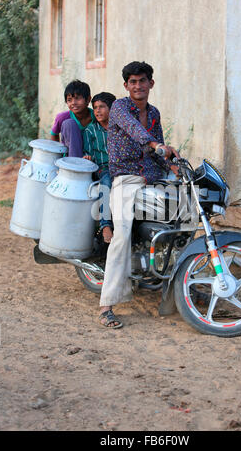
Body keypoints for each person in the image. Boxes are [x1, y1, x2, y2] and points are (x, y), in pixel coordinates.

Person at [99, 61, 179, 329]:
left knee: (181, 220)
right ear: (126, 86)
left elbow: (158, 148)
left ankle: (177, 288)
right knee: (121, 236)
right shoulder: (120, 108)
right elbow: (139, 133)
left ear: (150, 84)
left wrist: (173, 164)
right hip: (127, 178)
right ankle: (106, 305)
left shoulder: (154, 112)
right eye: (132, 82)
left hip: (153, 178)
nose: (138, 86)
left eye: (142, 81)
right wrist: (157, 145)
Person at [83, 92, 116, 243]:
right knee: (107, 182)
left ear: (112, 108)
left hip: (122, 167)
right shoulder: (91, 131)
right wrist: (87, 157)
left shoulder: (119, 128)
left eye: (102, 107)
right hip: (103, 168)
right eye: (95, 107)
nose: (97, 111)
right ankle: (105, 225)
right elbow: (87, 153)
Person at [50, 80, 95, 157]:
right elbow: (54, 134)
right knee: (69, 124)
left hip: (91, 156)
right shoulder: (62, 117)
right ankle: (75, 164)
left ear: (88, 99)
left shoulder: (96, 116)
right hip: (71, 157)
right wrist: (57, 155)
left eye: (77, 98)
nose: (73, 103)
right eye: (69, 100)